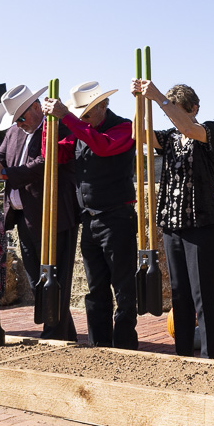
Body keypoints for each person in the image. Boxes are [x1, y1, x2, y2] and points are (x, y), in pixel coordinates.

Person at [133, 79, 214, 358]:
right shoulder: (170, 138)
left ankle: (211, 360)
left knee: (202, 296)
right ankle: (183, 355)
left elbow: (187, 127)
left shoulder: (208, 130)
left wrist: (159, 97)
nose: (171, 117)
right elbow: (139, 133)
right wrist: (141, 101)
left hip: (202, 226)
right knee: (179, 294)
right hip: (173, 226)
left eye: (177, 110)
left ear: (193, 108)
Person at [0, 84, 79, 343]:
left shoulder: (56, 127)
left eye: (22, 117)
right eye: (15, 119)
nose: (19, 123)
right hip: (24, 218)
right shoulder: (14, 133)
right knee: (39, 280)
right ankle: (64, 334)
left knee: (54, 279)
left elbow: (43, 165)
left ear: (36, 107)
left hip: (53, 217)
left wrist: (2, 172)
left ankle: (53, 334)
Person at [45, 82, 138, 349]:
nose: (82, 119)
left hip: (117, 218)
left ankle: (125, 347)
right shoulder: (80, 132)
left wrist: (68, 119)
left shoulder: (123, 127)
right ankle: (99, 346)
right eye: (80, 114)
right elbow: (52, 153)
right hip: (90, 219)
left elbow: (103, 147)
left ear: (103, 106)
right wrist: (50, 127)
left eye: (86, 113)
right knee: (96, 288)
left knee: (123, 288)